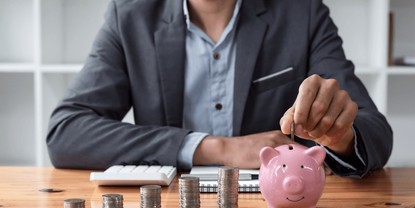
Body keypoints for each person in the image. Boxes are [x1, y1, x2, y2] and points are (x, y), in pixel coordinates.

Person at [46, 0, 393, 178]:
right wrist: (218, 148)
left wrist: (340, 136)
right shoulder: (131, 15)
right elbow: (66, 132)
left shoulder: (301, 12)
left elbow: (374, 131)